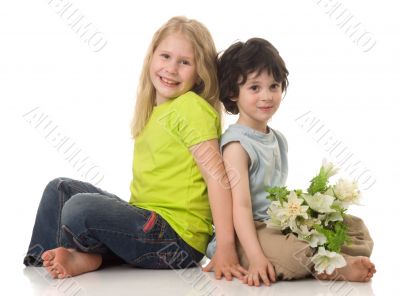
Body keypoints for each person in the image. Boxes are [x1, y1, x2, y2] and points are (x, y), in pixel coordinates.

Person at [23, 16, 246, 280]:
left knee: (79, 207)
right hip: (147, 222)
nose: (171, 69)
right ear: (151, 57)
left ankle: (89, 256)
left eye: (184, 62)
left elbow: (217, 177)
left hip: (176, 240)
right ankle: (45, 263)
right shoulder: (153, 111)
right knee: (59, 189)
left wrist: (226, 246)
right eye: (165, 56)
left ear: (200, 74)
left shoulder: (190, 107)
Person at [206, 37, 376, 286]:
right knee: (294, 252)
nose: (267, 96)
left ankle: (328, 258)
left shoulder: (278, 139)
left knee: (354, 227)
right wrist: (255, 258)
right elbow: (240, 209)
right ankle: (330, 265)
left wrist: (304, 217)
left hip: (276, 224)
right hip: (248, 233)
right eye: (254, 88)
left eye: (274, 86)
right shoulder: (236, 146)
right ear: (233, 92)